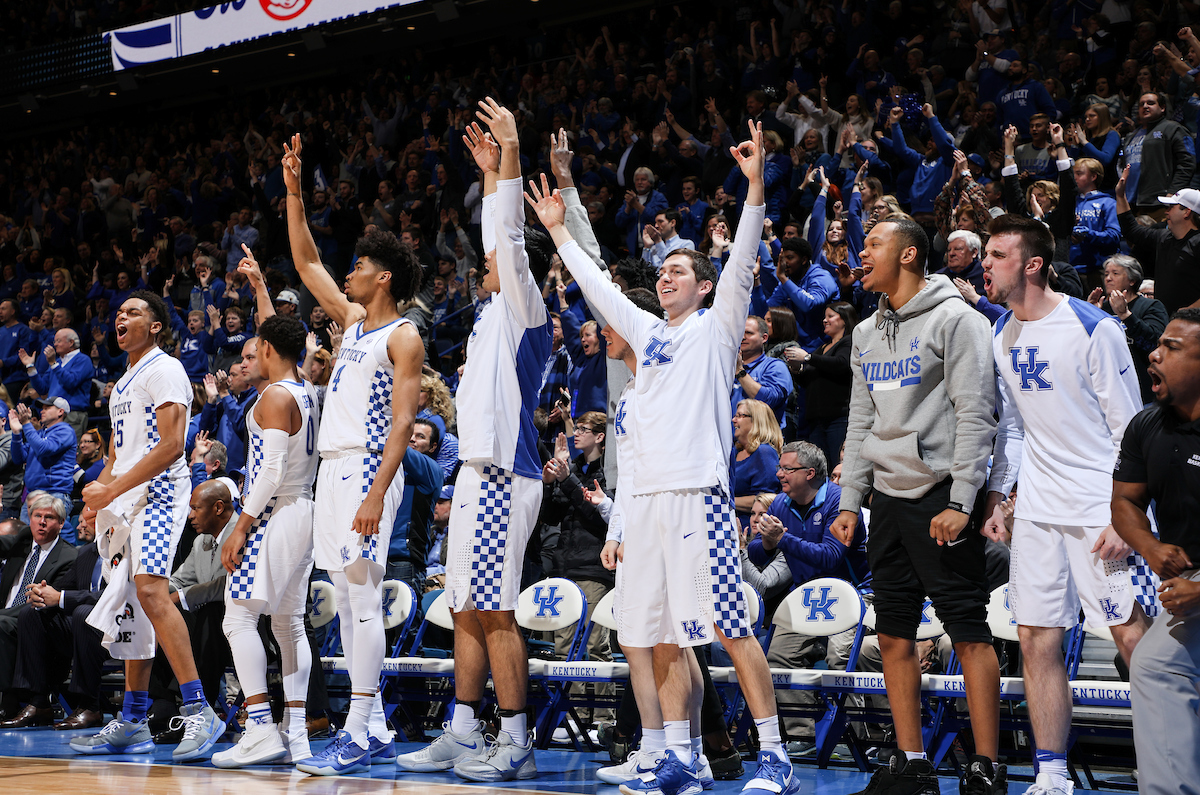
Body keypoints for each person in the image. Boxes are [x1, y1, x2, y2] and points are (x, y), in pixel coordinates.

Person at [528, 121, 801, 795]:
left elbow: (740, 256)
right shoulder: (649, 337)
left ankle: (776, 756)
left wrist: (756, 185)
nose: (668, 276)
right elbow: (599, 288)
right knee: (661, 638)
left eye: (680, 270)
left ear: (705, 288)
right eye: (665, 270)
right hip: (645, 506)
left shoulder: (716, 329)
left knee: (730, 632)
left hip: (696, 498)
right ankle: (678, 757)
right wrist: (560, 231)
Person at [396, 99, 553, 782]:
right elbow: (499, 232)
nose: (485, 256)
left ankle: (516, 738)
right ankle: (462, 729)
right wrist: (488, 174)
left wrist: (511, 158)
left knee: (495, 609)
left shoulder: (526, 306)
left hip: (504, 475)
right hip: (473, 475)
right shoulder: (492, 312)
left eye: (498, 254)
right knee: (461, 602)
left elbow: (509, 238)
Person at [830, 218, 1002, 795]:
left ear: (908, 255)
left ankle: (986, 765)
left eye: (872, 244)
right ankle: (912, 762)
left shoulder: (959, 320)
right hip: (887, 498)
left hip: (942, 496)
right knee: (895, 636)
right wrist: (852, 499)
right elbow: (860, 422)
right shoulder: (863, 333)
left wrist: (963, 499)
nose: (861, 252)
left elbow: (977, 412)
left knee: (969, 631)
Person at [980, 213, 1151, 795]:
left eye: (997, 254)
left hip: (1098, 508)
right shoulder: (1000, 330)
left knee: (1133, 636)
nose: (985, 263)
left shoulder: (1093, 327)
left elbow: (1132, 430)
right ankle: (1052, 773)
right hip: (1037, 512)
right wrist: (1002, 496)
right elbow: (1013, 429)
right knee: (1035, 637)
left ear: (1032, 264)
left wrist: (1123, 517)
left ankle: (1172, 757)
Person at [282, 132, 425, 775]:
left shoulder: (403, 333)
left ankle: (359, 729)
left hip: (368, 464)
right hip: (332, 469)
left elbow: (402, 424)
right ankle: (379, 725)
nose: (349, 273)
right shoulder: (354, 320)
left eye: (360, 266)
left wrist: (375, 490)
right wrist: (293, 195)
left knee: (362, 597)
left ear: (383, 276)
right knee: (343, 598)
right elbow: (308, 262)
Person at [73, 290, 224, 761]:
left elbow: (172, 445)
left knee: (152, 591)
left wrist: (111, 491)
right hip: (127, 499)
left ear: (155, 325)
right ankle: (133, 719)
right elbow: (118, 453)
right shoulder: (122, 383)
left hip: (159, 494)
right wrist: (97, 496)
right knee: (132, 601)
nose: (121, 318)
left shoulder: (166, 369)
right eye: (118, 313)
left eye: (133, 312)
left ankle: (201, 710)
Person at [212, 315, 320, 769]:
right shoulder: (307, 391)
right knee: (288, 623)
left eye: (253, 350)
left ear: (271, 350)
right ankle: (294, 733)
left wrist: (240, 525)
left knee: (237, 616)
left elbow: (271, 471)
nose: (247, 358)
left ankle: (258, 726)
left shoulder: (275, 396)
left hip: (277, 511)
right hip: (304, 509)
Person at [1112, 308, 1200, 794]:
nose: (1154, 353)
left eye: (1173, 347)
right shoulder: (1147, 424)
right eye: (1158, 343)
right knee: (1155, 661)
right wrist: (1150, 546)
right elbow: (1124, 500)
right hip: (1187, 580)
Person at [749, 442, 869, 749]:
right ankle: (801, 733)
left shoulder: (841, 503)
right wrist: (766, 543)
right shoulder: (779, 504)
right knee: (776, 655)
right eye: (780, 468)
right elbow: (758, 557)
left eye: (787, 469)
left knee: (840, 656)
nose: (779, 475)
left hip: (853, 595)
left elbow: (830, 556)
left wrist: (782, 539)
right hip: (807, 597)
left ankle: (854, 735)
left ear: (810, 473)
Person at [9, 506, 106, 730]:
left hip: (119, 627)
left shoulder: (124, 551)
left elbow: (112, 595)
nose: (80, 525)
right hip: (83, 630)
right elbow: (62, 588)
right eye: (79, 520)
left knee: (83, 614)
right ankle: (38, 702)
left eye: (87, 520)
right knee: (32, 613)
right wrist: (41, 593)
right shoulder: (85, 553)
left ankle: (90, 705)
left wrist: (61, 597)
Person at [0, 493, 77, 720]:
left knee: (2, 624)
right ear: (29, 518)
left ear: (61, 523)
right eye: (37, 516)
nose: (42, 522)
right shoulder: (22, 541)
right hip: (7, 616)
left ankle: (9, 701)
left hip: (38, 624)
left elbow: (43, 604)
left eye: (49, 517)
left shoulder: (69, 556)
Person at [1115, 172, 1200, 318]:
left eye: (1171, 207)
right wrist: (1120, 195)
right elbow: (1132, 230)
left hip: (1192, 323)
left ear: (1187, 212)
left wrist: (1190, 311)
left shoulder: (1198, 243)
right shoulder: (1163, 237)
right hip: (1165, 319)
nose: (1166, 212)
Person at [1087, 255, 1169, 405]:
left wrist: (1125, 315)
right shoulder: (1101, 308)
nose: (1108, 278)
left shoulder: (1150, 306)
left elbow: (1155, 344)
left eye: (1115, 273)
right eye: (1106, 274)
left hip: (1143, 392)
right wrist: (1089, 316)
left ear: (1132, 280)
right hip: (1107, 392)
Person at [786, 302, 858, 467]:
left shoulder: (849, 342)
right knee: (820, 467)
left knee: (838, 464)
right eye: (824, 317)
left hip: (838, 417)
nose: (825, 320)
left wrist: (808, 358)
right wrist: (796, 369)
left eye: (830, 316)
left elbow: (842, 364)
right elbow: (807, 380)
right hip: (817, 419)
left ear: (844, 319)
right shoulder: (822, 348)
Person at [1120, 92, 1196, 218]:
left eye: (1150, 103)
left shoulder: (1173, 129)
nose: (1145, 106)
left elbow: (1188, 162)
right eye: (1141, 104)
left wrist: (1173, 192)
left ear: (1162, 108)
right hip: (1132, 202)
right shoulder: (1131, 136)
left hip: (1159, 201)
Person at [9, 397, 77, 534]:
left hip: (53, 494)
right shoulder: (40, 433)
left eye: (47, 408)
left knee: (52, 540)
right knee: (26, 542)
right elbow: (19, 458)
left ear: (60, 412)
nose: (42, 411)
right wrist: (16, 433)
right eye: (42, 408)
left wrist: (27, 423)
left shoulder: (65, 431)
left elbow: (44, 449)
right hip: (33, 495)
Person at [25, 328, 94, 440]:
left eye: (58, 341)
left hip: (72, 414)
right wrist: (30, 367)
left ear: (71, 342)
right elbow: (42, 388)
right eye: (54, 341)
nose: (55, 345)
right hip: (52, 414)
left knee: (70, 454)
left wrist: (53, 364)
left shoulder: (83, 360)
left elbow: (71, 382)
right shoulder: (58, 362)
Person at [731, 399, 782, 530]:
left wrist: (727, 501)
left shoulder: (764, 452)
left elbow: (767, 498)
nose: (733, 420)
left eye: (739, 416)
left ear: (756, 420)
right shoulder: (735, 452)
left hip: (753, 530)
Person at [732, 316, 792, 428]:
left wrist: (740, 371)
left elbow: (769, 400)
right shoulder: (725, 367)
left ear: (764, 338)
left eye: (749, 333)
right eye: (740, 332)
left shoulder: (775, 366)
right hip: (728, 440)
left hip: (762, 441)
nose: (742, 337)